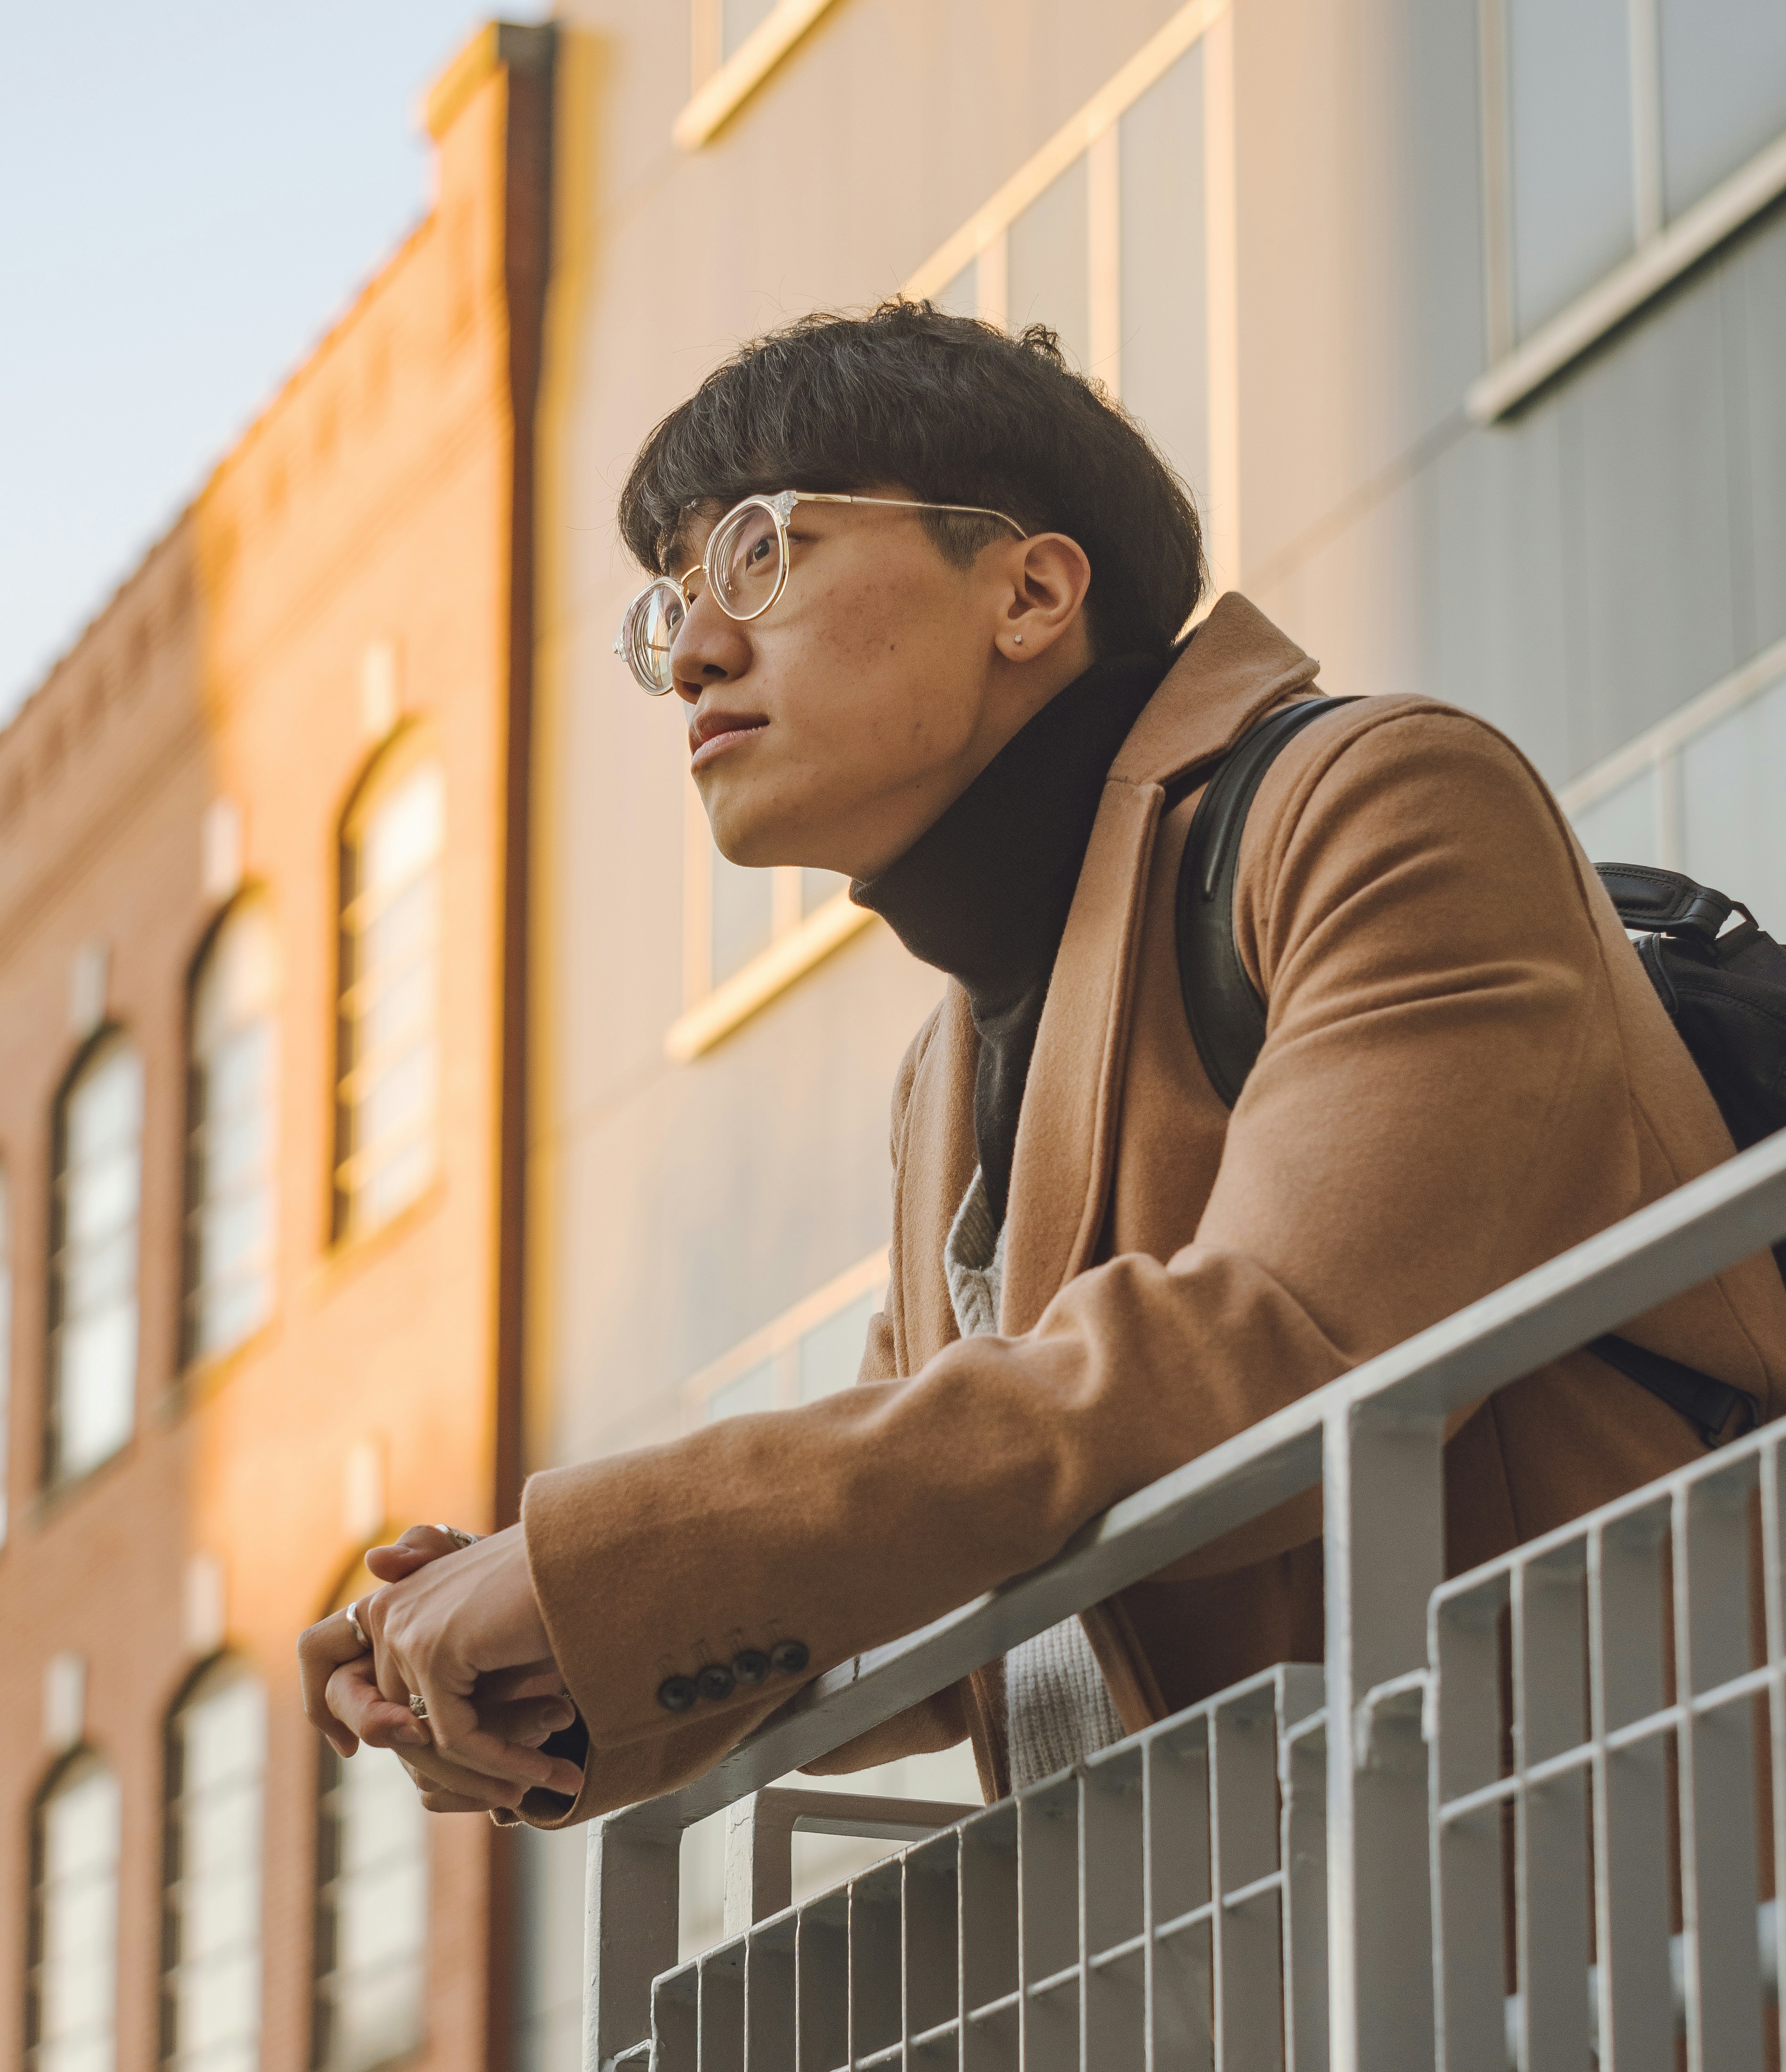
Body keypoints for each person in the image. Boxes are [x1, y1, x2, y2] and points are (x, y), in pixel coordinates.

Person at [300, 301, 1786, 1826]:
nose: (689, 651)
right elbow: (922, 1589)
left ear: (1031, 589)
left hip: (1579, 1925)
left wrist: (591, 1567)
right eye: (668, 602)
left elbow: (1290, 1352)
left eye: (757, 550)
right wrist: (544, 1674)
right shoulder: (946, 1067)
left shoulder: (1379, 799)